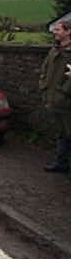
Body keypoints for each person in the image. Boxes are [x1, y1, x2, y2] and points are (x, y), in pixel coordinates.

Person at [40, 21, 71, 174]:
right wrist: (43, 87)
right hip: (53, 98)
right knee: (61, 133)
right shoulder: (54, 50)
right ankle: (61, 163)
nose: (55, 32)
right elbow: (45, 69)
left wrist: (63, 92)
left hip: (66, 101)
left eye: (58, 29)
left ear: (68, 31)